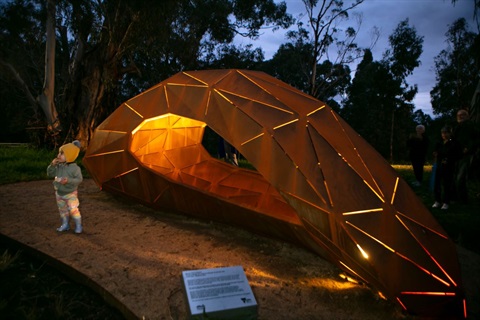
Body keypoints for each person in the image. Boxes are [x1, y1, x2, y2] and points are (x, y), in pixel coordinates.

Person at [47, 140, 83, 233]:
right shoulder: (58, 166)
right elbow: (50, 174)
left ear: (70, 156)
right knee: (62, 211)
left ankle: (78, 226)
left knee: (73, 210)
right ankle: (65, 224)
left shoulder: (75, 168)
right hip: (59, 193)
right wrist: (52, 165)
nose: (59, 155)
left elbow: (79, 180)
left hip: (71, 194)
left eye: (62, 153)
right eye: (59, 152)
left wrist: (69, 180)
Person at [453, 109, 479, 203]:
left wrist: (469, 148)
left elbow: (477, 139)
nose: (460, 116)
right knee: (455, 177)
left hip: (466, 156)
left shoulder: (471, 126)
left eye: (463, 114)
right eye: (458, 115)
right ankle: (457, 197)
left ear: (467, 116)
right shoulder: (457, 127)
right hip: (457, 155)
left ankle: (463, 199)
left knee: (461, 177)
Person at [432, 126, 461, 210]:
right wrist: (435, 154)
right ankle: (437, 200)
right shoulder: (439, 142)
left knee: (447, 184)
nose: (444, 135)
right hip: (439, 165)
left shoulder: (454, 143)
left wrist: (449, 159)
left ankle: (446, 202)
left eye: (446, 133)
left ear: (449, 133)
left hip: (448, 166)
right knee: (437, 183)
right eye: (442, 133)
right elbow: (435, 150)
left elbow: (458, 154)